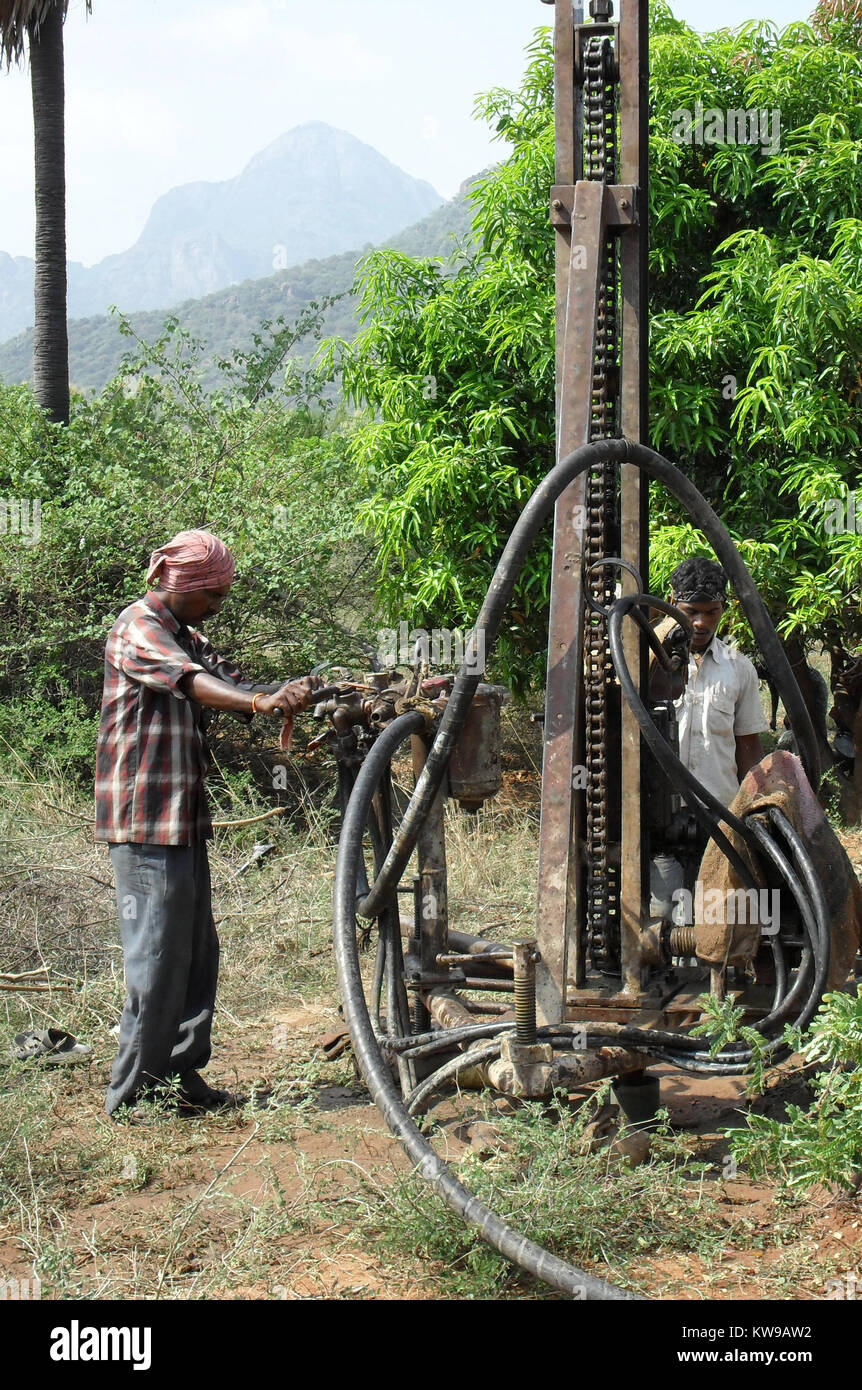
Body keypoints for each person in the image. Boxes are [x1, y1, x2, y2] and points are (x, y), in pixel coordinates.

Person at [95, 529, 319, 1118]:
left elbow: (237, 685)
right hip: (146, 820)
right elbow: (192, 683)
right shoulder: (137, 629)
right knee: (157, 958)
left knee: (195, 953)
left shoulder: (186, 634)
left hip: (183, 821)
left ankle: (178, 1077)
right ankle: (134, 1094)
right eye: (213, 594)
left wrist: (296, 692)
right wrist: (257, 704)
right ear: (184, 585)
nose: (219, 603)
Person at [648, 556, 767, 928]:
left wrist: (755, 810)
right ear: (671, 602)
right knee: (662, 917)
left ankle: (715, 985)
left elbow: (749, 746)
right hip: (658, 817)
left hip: (719, 815)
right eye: (690, 611)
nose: (700, 623)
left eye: (710, 612)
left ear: (723, 609)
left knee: (713, 920)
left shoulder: (738, 669)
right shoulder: (642, 660)